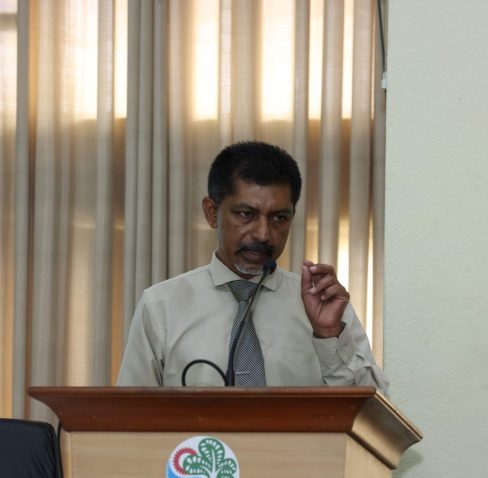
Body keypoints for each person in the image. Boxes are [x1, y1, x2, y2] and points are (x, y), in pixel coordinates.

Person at [116, 141, 387, 390]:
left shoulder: (325, 306)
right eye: (246, 214)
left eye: (279, 218)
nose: (263, 234)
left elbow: (374, 415)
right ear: (212, 213)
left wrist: (329, 335)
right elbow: (130, 416)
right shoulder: (161, 306)